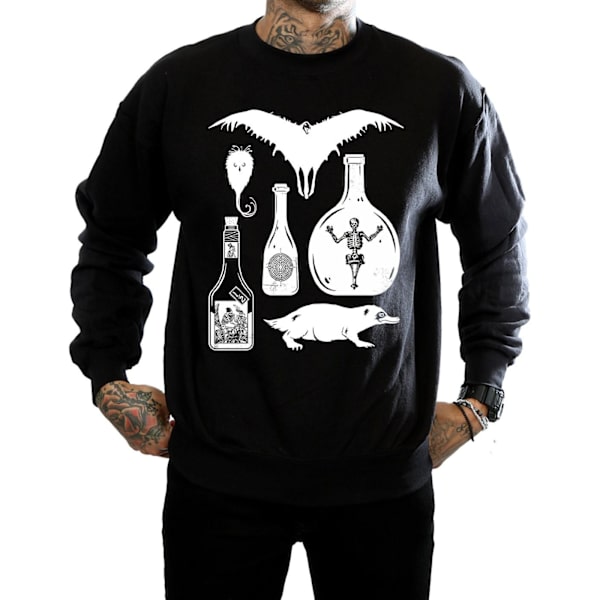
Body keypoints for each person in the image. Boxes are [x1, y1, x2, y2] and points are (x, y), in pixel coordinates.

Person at [69, 1, 529, 598]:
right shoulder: (180, 86)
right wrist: (107, 374)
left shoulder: (439, 89)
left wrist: (482, 396)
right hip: (217, 481)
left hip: (382, 486)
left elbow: (498, 243)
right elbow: (113, 236)